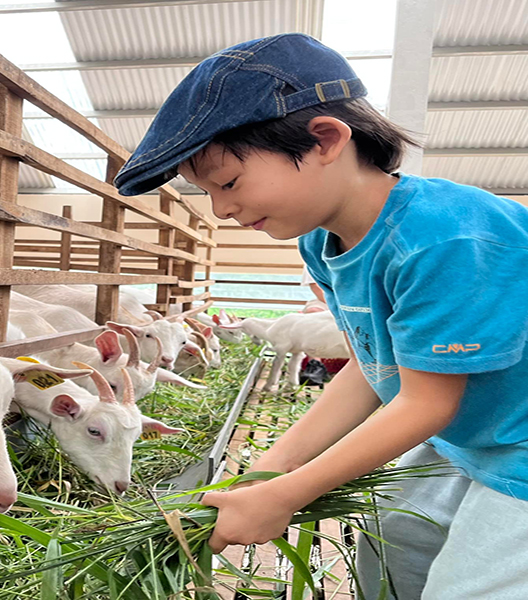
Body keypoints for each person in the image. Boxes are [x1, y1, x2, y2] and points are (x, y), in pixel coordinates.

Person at [114, 34, 528, 600]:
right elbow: (370, 369)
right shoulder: (322, 243)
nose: (222, 209)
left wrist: (288, 495)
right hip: (471, 434)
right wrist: (269, 469)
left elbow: (427, 401)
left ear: (326, 140)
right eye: (208, 193)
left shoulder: (443, 238)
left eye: (228, 183)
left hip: (517, 448)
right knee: (393, 545)